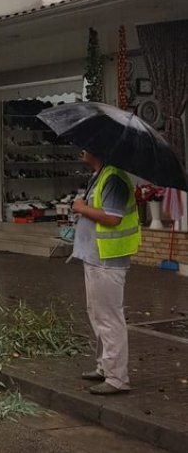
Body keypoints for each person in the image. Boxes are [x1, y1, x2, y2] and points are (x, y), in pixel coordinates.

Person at [71, 149, 141, 396]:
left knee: (109, 318)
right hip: (95, 257)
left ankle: (117, 377)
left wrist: (81, 208)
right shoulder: (100, 175)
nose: (82, 149)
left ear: (99, 150)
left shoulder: (113, 178)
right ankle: (104, 366)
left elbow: (113, 218)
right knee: (97, 314)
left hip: (107, 260)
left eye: (87, 146)